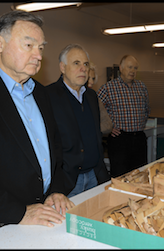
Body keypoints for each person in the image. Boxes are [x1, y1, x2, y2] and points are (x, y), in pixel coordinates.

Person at [0, 10, 75, 245]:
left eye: (41, 48)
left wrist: (56, 190)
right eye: (28, 45)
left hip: (45, 220)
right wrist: (19, 212)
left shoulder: (41, 92)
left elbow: (54, 150)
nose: (38, 55)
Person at [46, 44, 110, 198]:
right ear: (62, 67)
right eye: (76, 63)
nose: (83, 69)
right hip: (68, 181)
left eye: (86, 64)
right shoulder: (48, 96)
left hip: (95, 176)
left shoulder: (91, 96)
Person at [98, 55, 150, 178]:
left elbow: (147, 109)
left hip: (139, 139)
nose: (132, 71)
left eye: (135, 68)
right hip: (119, 139)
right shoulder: (108, 88)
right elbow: (95, 109)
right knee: (120, 176)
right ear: (121, 68)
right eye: (129, 67)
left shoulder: (141, 87)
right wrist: (107, 128)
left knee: (140, 175)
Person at [87, 64, 113, 135]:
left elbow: (108, 125)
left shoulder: (95, 99)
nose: (92, 82)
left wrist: (87, 129)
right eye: (88, 78)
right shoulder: (70, 99)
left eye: (93, 78)